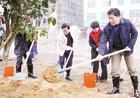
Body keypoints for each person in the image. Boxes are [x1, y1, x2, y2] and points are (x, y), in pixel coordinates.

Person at [97, 8, 139, 97]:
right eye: (109, 18)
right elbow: (103, 41)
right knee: (115, 70)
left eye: (112, 18)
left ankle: (136, 90)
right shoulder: (107, 27)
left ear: (118, 16)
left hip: (127, 49)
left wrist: (130, 46)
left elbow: (135, 34)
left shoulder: (127, 23)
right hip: (115, 50)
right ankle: (116, 89)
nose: (110, 20)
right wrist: (100, 53)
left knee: (132, 70)